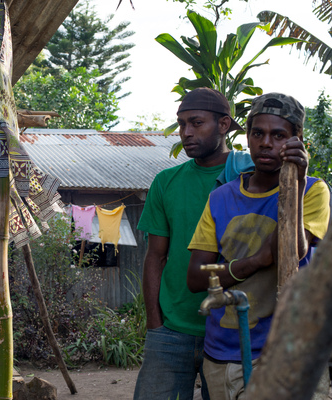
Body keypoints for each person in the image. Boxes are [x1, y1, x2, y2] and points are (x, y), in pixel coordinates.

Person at [187, 93, 330, 400]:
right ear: (248, 138)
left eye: (279, 135)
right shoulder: (221, 198)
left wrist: (297, 182)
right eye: (258, 133)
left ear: (296, 141)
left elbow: (294, 252)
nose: (266, 143)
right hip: (224, 355)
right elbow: (197, 277)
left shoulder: (314, 191)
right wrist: (253, 261)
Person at [134, 87, 254, 400]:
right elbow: (155, 257)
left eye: (197, 123)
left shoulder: (250, 175)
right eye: (182, 124)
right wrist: (155, 324)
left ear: (224, 125)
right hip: (173, 330)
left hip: (233, 328)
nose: (186, 132)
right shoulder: (166, 182)